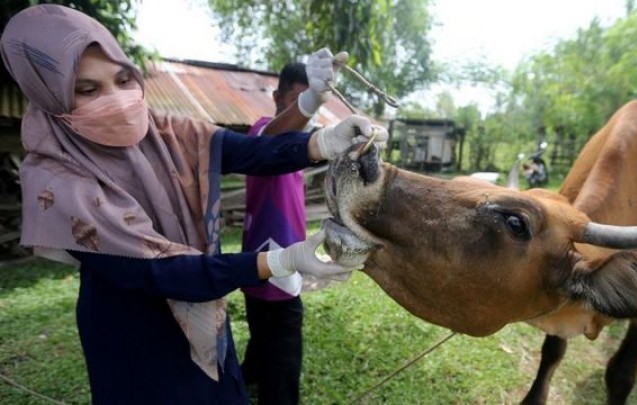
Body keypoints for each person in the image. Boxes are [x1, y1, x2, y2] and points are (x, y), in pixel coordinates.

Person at [0, 4, 387, 405]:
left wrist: (323, 141)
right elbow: (161, 272)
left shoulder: (167, 131)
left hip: (204, 312)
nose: (117, 100)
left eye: (122, 79)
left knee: (221, 387)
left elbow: (251, 151)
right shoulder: (57, 182)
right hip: (134, 336)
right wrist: (279, 262)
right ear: (49, 94)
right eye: (88, 90)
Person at [239, 62, 314, 404]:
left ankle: (249, 375)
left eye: (311, 101)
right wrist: (310, 105)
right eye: (298, 100)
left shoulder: (299, 145)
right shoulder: (262, 130)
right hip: (272, 261)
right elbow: (268, 143)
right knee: (284, 348)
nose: (304, 109)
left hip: (272, 260)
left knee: (264, 331)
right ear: (278, 98)